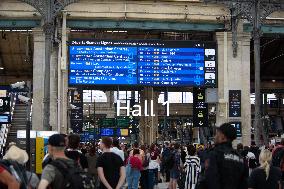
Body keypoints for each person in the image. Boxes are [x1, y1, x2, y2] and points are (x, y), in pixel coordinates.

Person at [202, 123, 248, 189]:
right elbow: (244, 183)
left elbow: (211, 180)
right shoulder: (240, 158)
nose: (215, 137)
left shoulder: (215, 154)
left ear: (222, 136)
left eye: (217, 134)